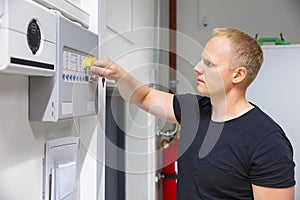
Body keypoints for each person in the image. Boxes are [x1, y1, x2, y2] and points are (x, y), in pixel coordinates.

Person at [91, 28, 295, 199]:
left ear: (238, 74)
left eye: (209, 64)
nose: (197, 68)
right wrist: (118, 74)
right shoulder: (194, 110)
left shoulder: (267, 142)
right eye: (201, 61)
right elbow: (144, 97)